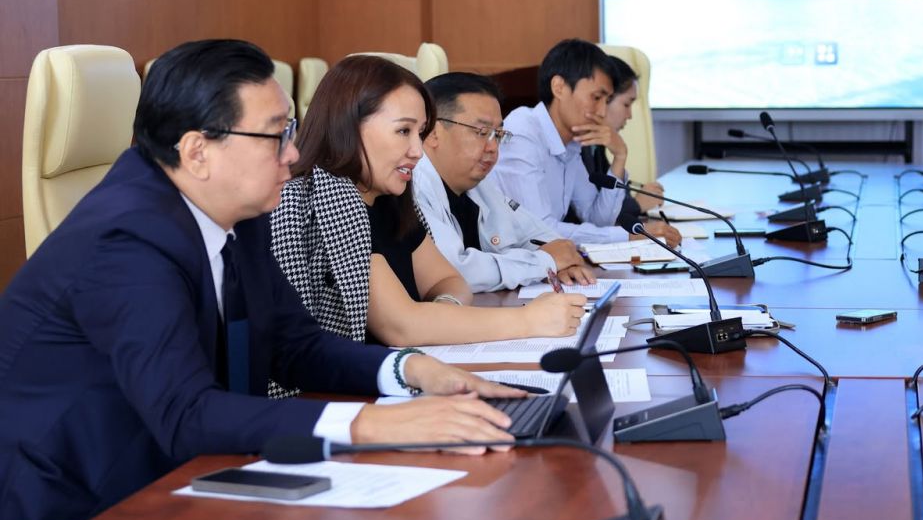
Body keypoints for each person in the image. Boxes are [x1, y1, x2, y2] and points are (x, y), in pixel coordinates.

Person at [0, 40, 523, 520]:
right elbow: (184, 413)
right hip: (70, 507)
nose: (292, 154)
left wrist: (411, 369)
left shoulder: (237, 210)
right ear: (197, 151)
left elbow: (293, 346)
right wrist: (372, 425)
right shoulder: (126, 240)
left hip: (170, 475)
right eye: (276, 135)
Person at [271, 55, 586, 357]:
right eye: (403, 131)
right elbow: (401, 326)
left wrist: (442, 316)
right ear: (350, 126)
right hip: (333, 387)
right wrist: (528, 320)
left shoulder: (389, 198)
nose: (417, 151)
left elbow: (448, 280)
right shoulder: (327, 197)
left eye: (419, 133)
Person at [413, 73, 595, 294]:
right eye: (482, 132)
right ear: (433, 132)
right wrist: (544, 263)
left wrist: (565, 263)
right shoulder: (413, 187)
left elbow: (542, 237)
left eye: (498, 135)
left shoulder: (479, 187)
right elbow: (451, 272)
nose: (493, 147)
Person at [497, 39, 681, 247]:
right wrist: (628, 235)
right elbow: (539, 232)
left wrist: (619, 157)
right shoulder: (522, 132)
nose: (602, 112)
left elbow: (597, 220)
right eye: (596, 98)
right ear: (559, 88)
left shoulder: (571, 144)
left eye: (606, 100)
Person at [571, 54, 668, 234]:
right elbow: (583, 218)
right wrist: (637, 204)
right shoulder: (576, 145)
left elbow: (605, 205)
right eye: (626, 104)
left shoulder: (594, 146)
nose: (629, 115)